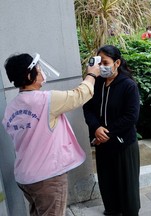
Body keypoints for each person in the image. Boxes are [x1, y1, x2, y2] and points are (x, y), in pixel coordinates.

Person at [2, 53, 100, 215]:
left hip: (24, 177)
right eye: (38, 69)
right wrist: (91, 74)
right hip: (47, 178)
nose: (41, 72)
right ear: (29, 75)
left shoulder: (11, 108)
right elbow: (80, 95)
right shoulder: (46, 100)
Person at [83, 45, 140, 216]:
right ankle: (112, 210)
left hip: (123, 144)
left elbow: (131, 117)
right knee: (107, 181)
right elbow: (88, 108)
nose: (101, 67)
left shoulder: (128, 85)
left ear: (117, 63)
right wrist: (96, 128)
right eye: (99, 63)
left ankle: (129, 212)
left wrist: (105, 132)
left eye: (105, 63)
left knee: (127, 184)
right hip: (102, 143)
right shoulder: (97, 83)